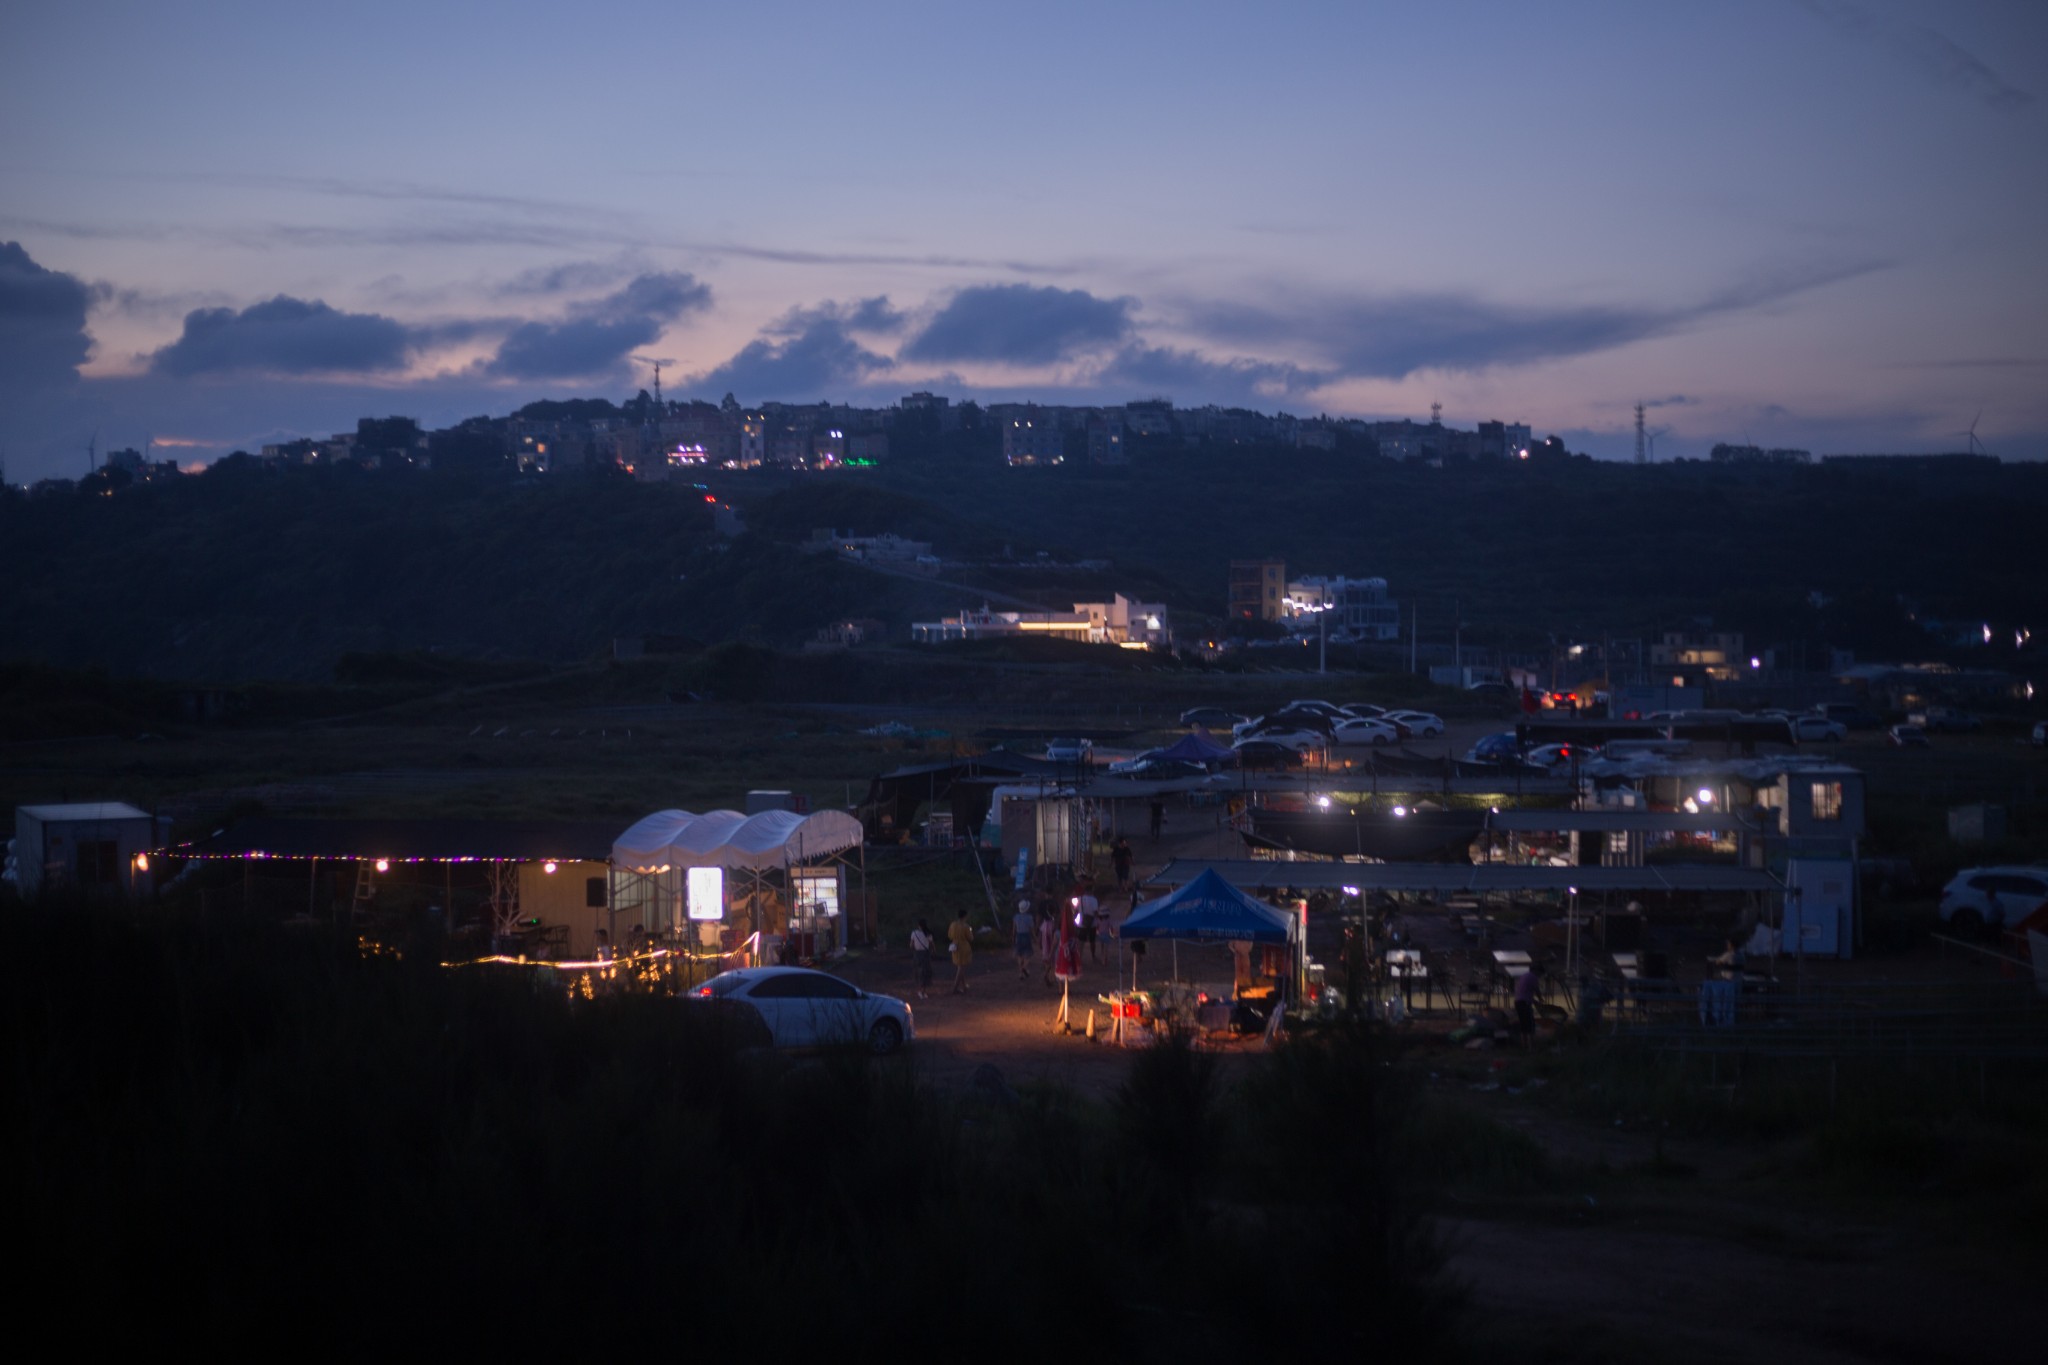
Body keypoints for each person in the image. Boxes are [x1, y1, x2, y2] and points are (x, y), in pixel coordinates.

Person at [1513, 962, 1541, 1048]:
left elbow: (1525, 993)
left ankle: (1524, 1046)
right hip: (1525, 1003)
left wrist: (1535, 1001)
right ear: (1536, 970)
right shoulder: (1533, 977)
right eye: (1540, 973)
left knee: (1523, 1025)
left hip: (1518, 1002)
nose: (1540, 975)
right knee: (1530, 1025)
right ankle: (1531, 1047)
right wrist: (1540, 998)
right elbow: (1536, 990)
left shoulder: (1524, 976)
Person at [947, 908, 974, 994]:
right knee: (961, 967)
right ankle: (955, 987)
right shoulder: (966, 926)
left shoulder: (953, 924)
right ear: (965, 916)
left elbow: (950, 935)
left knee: (960, 966)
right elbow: (971, 938)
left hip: (954, 945)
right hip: (963, 946)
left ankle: (964, 986)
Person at [1075, 881, 1102, 963]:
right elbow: (1095, 912)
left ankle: (1079, 957)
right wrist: (1099, 919)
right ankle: (1093, 956)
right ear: (1091, 890)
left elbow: (1076, 910)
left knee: (1081, 941)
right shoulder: (1094, 900)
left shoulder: (1079, 899)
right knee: (1092, 940)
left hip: (1082, 922)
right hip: (1092, 923)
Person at [909, 918, 934, 999]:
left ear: (918, 925)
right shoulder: (928, 933)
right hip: (926, 954)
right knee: (925, 972)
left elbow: (911, 945)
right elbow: (931, 944)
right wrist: (933, 951)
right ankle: (923, 991)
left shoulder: (914, 933)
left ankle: (919, 991)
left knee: (918, 972)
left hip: (917, 954)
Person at [1012, 896, 1036, 977]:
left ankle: (1021, 973)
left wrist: (1013, 937)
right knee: (1028, 954)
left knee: (1020, 955)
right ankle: (1024, 967)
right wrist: (1035, 938)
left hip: (1018, 936)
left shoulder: (1016, 917)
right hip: (1026, 936)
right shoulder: (1029, 917)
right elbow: (1032, 929)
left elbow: (1014, 928)